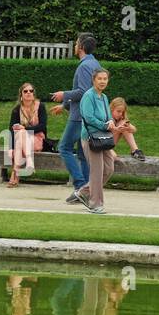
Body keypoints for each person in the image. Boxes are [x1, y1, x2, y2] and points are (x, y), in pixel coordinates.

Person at [50, 33, 100, 206]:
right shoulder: (93, 64)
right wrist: (64, 105)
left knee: (63, 147)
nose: (74, 45)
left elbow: (84, 91)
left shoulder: (85, 66)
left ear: (81, 47)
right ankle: (87, 190)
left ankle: (80, 186)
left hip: (79, 117)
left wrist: (64, 94)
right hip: (86, 116)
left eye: (77, 42)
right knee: (83, 155)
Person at [79, 68, 115, 215]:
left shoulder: (104, 97)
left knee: (109, 168)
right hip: (91, 138)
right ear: (93, 80)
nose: (102, 81)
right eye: (99, 79)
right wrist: (105, 125)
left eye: (105, 79)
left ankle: (83, 192)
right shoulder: (89, 96)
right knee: (97, 171)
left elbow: (108, 114)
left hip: (103, 137)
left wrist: (111, 121)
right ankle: (95, 204)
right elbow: (88, 117)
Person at [6, 83, 47, 187]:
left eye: (31, 91)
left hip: (37, 139)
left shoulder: (40, 106)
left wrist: (25, 129)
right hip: (21, 141)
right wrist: (11, 147)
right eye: (26, 91)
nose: (29, 93)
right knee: (20, 138)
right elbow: (11, 129)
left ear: (34, 94)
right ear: (21, 94)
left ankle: (14, 174)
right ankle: (28, 163)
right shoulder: (16, 109)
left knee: (21, 133)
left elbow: (42, 126)